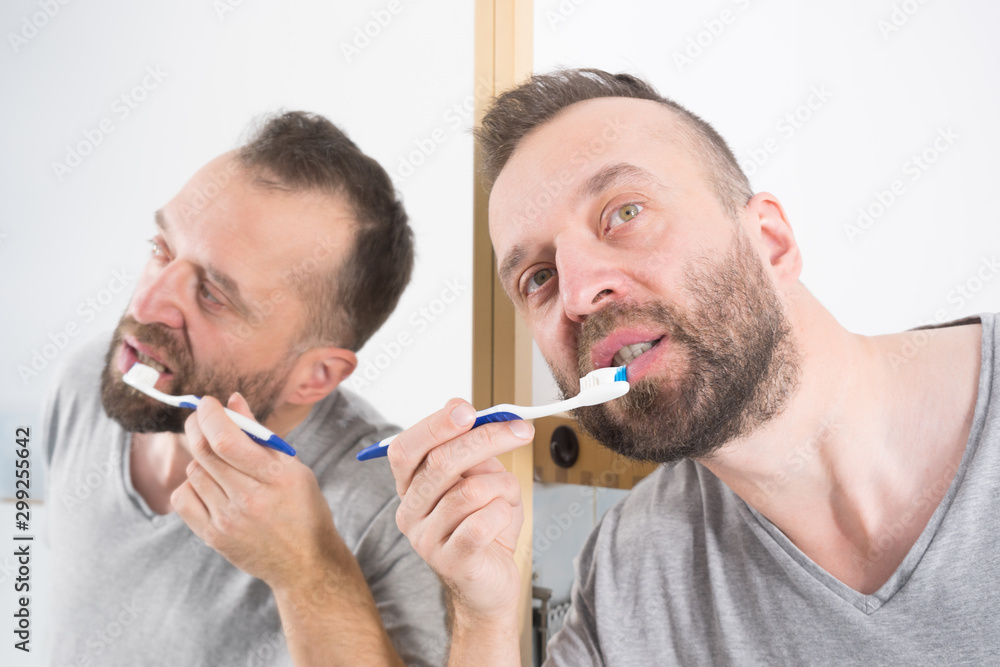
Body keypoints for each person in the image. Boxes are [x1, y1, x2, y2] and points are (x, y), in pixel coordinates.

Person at [385, 69, 998, 664]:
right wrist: (484, 617)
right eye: (538, 277)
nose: (576, 294)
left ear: (770, 240)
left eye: (624, 213)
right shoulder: (632, 568)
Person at [41, 111, 447, 666]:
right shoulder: (85, 381)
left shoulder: (396, 510)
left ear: (315, 376)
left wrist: (307, 575)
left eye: (212, 295)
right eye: (161, 248)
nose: (145, 305)